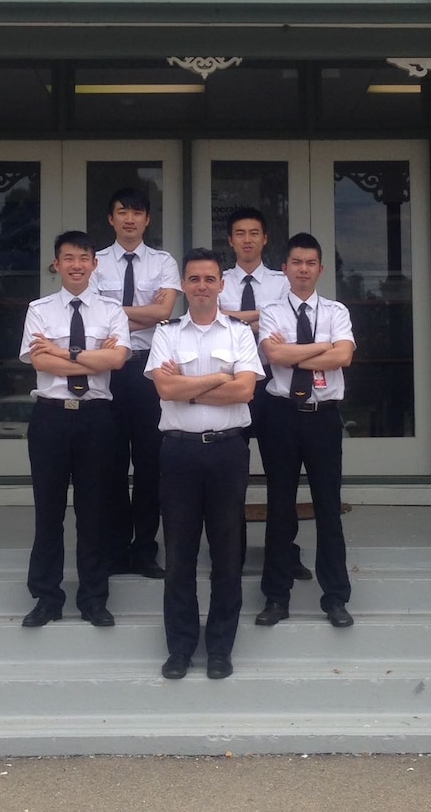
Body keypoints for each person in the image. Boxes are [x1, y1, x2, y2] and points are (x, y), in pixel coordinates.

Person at [145, 248, 263, 681]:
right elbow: (163, 388)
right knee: (179, 554)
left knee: (227, 554)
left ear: (221, 284)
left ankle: (219, 649)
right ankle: (179, 648)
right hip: (178, 452)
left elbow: (245, 392)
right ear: (185, 287)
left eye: (209, 279)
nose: (201, 286)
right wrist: (219, 377)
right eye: (193, 279)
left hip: (227, 452)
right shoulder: (167, 332)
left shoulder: (239, 333)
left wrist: (187, 387)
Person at [19, 230, 131, 629]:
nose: (77, 265)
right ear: (57, 264)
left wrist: (63, 353)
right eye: (69, 258)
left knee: (94, 511)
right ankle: (47, 597)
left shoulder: (112, 311)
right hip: (51, 417)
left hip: (96, 419)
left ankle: (94, 599)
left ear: (94, 264)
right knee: (48, 510)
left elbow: (117, 361)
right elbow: (40, 364)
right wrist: (91, 359)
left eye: (84, 257)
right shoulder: (40, 309)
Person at [256, 232, 356, 629]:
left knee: (328, 507)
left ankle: (335, 598)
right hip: (280, 415)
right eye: (296, 262)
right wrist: (320, 348)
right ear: (285, 269)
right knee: (280, 507)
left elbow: (344, 355)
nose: (302, 270)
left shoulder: (336, 310)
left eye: (310, 263)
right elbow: (274, 355)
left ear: (320, 269)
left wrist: (302, 350)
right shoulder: (271, 311)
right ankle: (276, 597)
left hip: (323, 417)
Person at [219, 206, 311, 581]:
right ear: (230, 240)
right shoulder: (218, 281)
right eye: (239, 233)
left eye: (254, 233)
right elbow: (213, 319)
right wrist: (262, 316)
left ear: (265, 239)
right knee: (230, 475)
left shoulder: (281, 280)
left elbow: (290, 323)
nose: (247, 240)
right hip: (229, 385)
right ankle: (231, 553)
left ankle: (284, 553)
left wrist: (234, 318)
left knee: (281, 477)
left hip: (274, 385)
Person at [94, 187, 181, 579]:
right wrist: (141, 315)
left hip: (148, 370)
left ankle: (145, 549)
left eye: (137, 213)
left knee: (150, 464)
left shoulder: (163, 263)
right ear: (110, 219)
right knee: (110, 462)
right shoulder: (93, 263)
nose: (129, 219)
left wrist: (113, 314)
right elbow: (96, 322)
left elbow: (165, 312)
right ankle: (114, 548)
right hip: (108, 370)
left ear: (148, 220)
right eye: (121, 211)